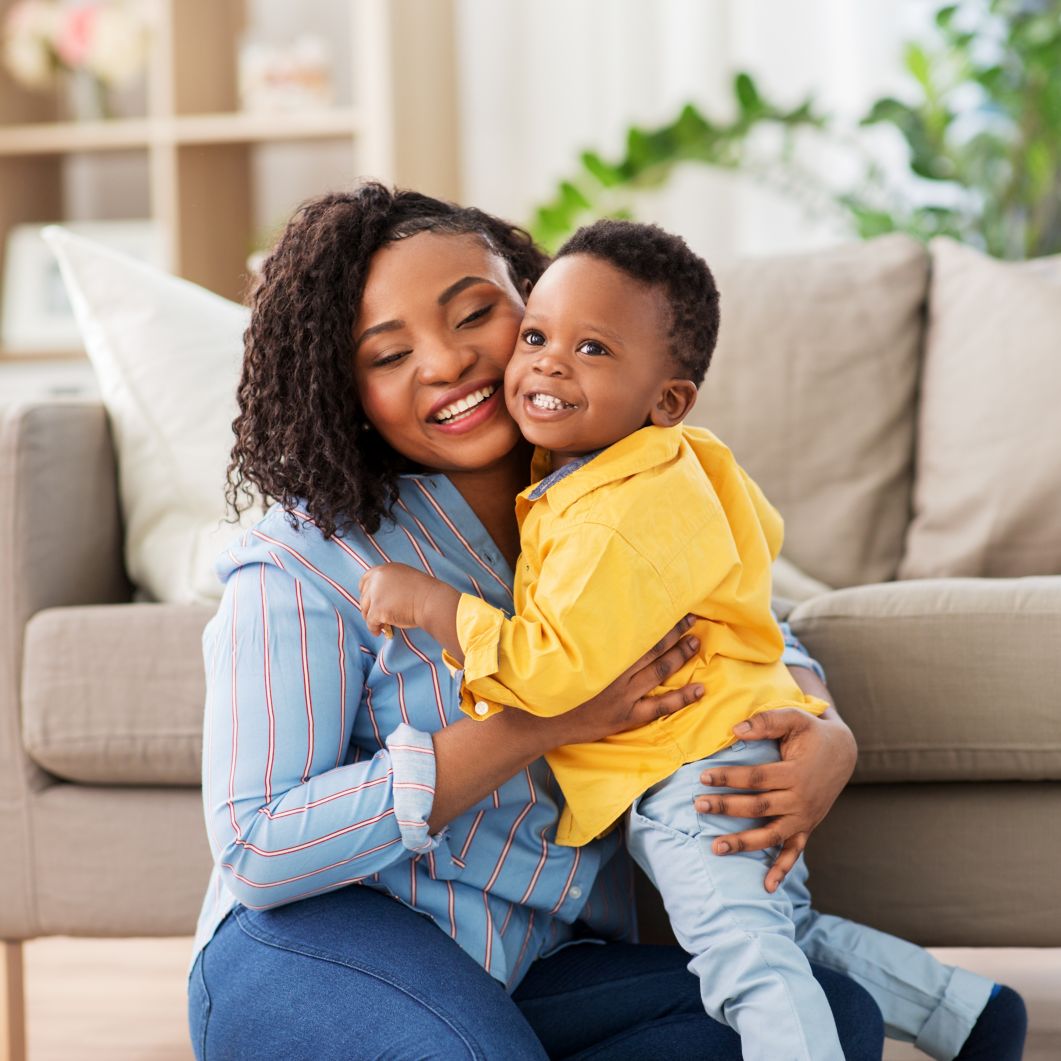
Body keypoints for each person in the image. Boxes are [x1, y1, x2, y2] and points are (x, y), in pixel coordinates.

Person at [191, 181, 897, 1060]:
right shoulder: (305, 557)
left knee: (833, 1016)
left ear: (537, 299)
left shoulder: (618, 489)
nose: (445, 363)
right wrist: (546, 719)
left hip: (526, 964)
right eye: (387, 354)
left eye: (475, 314)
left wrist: (824, 730)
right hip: (317, 943)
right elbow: (258, 847)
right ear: (347, 390)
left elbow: (742, 617)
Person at [358, 219, 1027, 1061]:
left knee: (745, 960)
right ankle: (967, 1015)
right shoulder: (670, 464)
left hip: (689, 770)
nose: (548, 362)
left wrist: (432, 605)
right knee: (781, 928)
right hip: (731, 740)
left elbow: (553, 670)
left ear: (665, 398)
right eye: (536, 335)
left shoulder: (609, 516)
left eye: (592, 349)